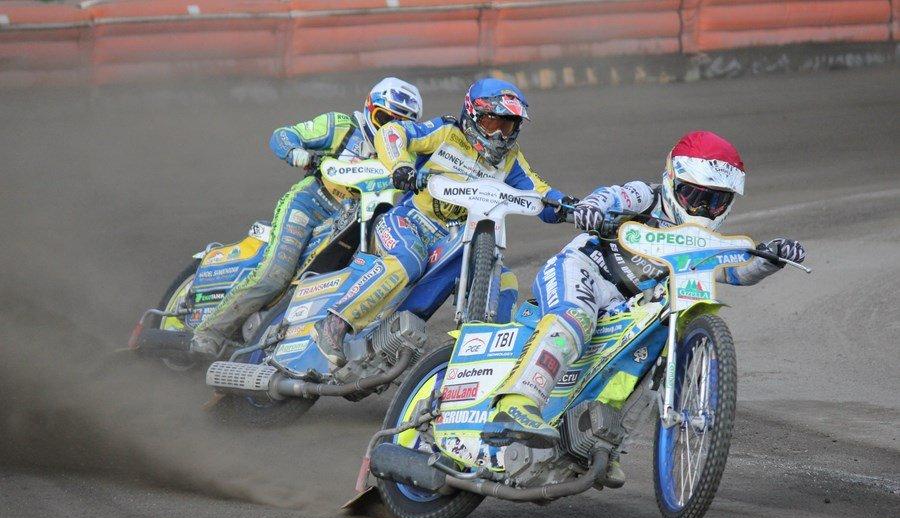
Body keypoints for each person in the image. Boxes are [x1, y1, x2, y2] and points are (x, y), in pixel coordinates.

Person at [483, 130, 807, 486]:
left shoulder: (703, 242)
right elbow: (611, 195)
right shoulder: (646, 195)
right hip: (584, 270)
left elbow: (733, 272)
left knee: (652, 362)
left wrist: (769, 260)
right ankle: (517, 402)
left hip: (626, 308)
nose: (701, 208)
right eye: (693, 195)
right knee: (576, 316)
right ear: (671, 180)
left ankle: (603, 443)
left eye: (715, 201)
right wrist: (592, 208)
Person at [313, 78, 577, 366]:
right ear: (472, 115)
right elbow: (392, 131)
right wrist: (401, 166)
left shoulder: (512, 160)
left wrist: (572, 207)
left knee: (506, 281)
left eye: (508, 126)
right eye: (492, 123)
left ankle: (487, 362)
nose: (500, 135)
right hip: (408, 222)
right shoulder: (445, 132)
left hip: (456, 239)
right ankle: (334, 323)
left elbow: (541, 193)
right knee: (408, 258)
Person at [190, 77, 423, 357]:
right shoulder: (341, 126)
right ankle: (209, 332)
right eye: (384, 119)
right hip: (310, 204)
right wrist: (297, 153)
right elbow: (283, 135)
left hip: (359, 221)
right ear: (369, 108)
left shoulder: (406, 154)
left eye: (400, 125)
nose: (389, 130)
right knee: (275, 275)